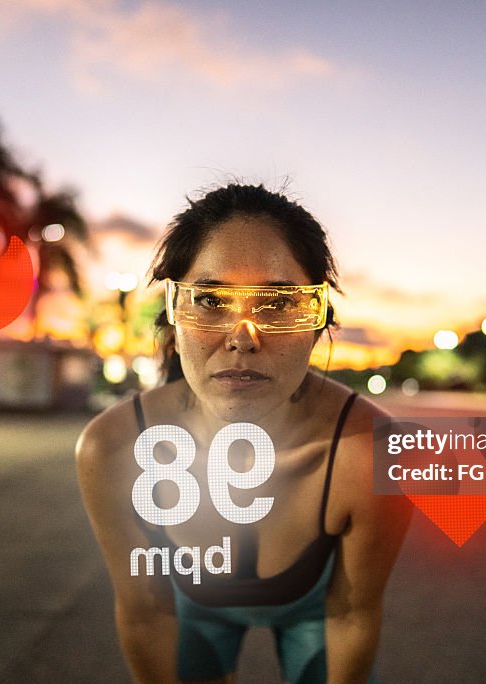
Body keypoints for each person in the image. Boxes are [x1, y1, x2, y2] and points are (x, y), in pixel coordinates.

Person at [77, 183, 411, 683]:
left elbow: (351, 613)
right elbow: (146, 611)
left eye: (277, 304)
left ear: (319, 322)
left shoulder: (369, 453)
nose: (242, 337)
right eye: (210, 299)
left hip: (318, 613)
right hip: (190, 611)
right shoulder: (113, 448)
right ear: (173, 310)